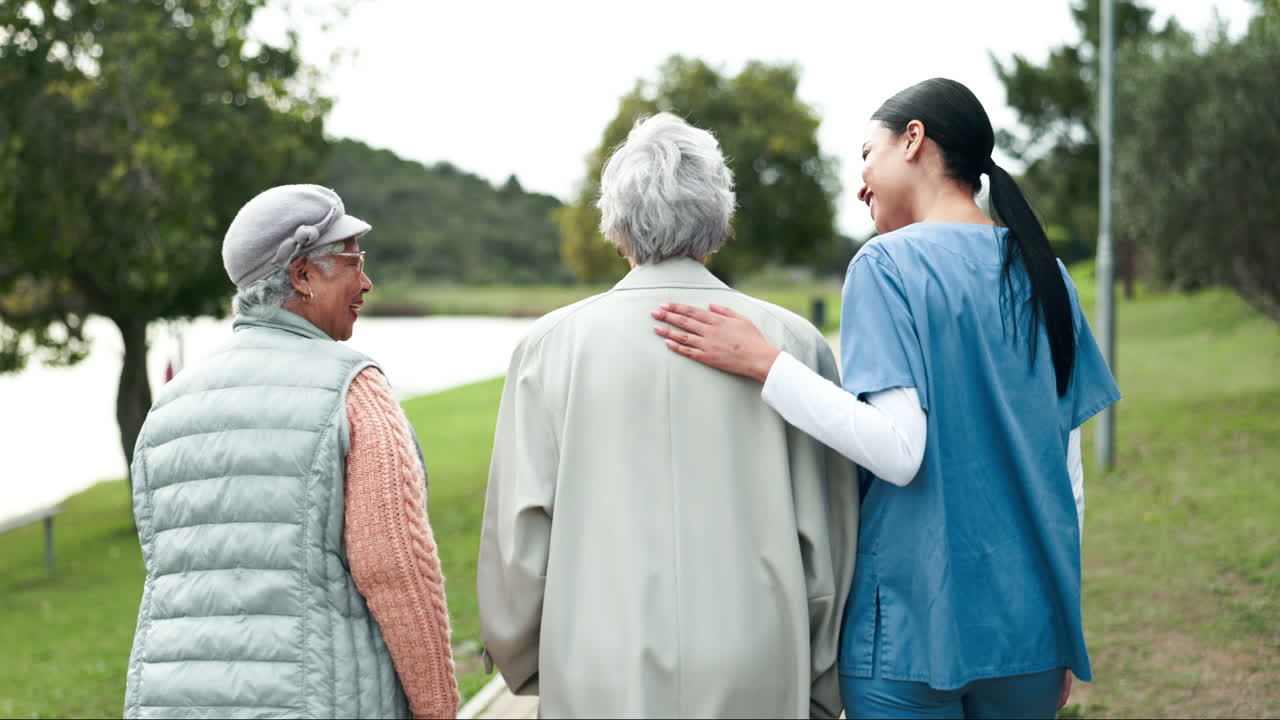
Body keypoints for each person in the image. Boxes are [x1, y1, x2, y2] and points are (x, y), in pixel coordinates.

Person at [652, 78, 1121, 719]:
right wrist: (1060, 625)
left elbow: (899, 451)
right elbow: (1066, 474)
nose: (861, 183)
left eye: (866, 155)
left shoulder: (886, 266)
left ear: (914, 141)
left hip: (912, 632)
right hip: (1029, 633)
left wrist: (766, 364)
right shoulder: (1047, 273)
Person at [477, 113, 859, 719]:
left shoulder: (547, 349)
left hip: (596, 663)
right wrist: (819, 684)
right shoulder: (796, 343)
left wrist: (529, 661)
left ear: (615, 224)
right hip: (757, 662)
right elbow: (829, 536)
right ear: (718, 222)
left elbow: (520, 543)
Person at [123, 184, 458, 719]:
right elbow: (396, 572)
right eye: (353, 262)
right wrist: (438, 708)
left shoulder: (169, 405)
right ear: (302, 275)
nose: (366, 282)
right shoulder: (354, 391)